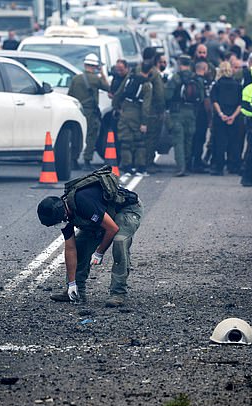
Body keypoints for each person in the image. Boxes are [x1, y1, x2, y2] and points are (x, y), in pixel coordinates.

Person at [37, 166, 144, 307]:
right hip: (104, 215)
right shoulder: (64, 213)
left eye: (60, 221)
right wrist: (71, 283)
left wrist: (99, 252)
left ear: (63, 213)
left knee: (119, 241)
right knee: (80, 245)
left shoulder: (82, 202)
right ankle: (76, 292)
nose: (61, 224)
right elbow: (70, 249)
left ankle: (118, 293)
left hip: (126, 210)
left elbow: (112, 229)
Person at [67, 53, 109, 171]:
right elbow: (108, 87)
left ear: (85, 64)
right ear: (95, 66)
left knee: (77, 135)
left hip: (78, 111)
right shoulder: (96, 79)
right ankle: (87, 160)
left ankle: (73, 160)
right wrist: (102, 73)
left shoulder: (76, 78)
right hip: (90, 112)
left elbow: (70, 95)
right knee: (91, 135)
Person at [165, 55, 204, 177]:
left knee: (178, 140)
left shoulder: (175, 78)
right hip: (191, 112)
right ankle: (187, 164)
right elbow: (201, 98)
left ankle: (181, 167)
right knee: (189, 139)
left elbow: (167, 96)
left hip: (177, 112)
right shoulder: (196, 79)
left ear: (179, 63)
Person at [112, 60, 154, 176]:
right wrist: (144, 122)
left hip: (125, 110)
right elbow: (146, 106)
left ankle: (127, 167)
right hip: (137, 112)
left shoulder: (129, 79)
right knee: (139, 141)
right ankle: (140, 168)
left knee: (126, 141)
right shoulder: (147, 85)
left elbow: (118, 94)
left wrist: (116, 108)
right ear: (150, 71)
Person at [210, 61, 243, 175]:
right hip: (235, 116)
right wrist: (233, 116)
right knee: (234, 142)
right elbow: (240, 103)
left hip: (221, 117)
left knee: (220, 142)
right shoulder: (238, 85)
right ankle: (233, 166)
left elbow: (214, 101)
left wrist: (221, 114)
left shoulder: (217, 85)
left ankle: (219, 167)